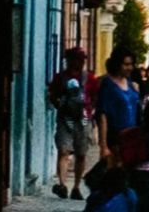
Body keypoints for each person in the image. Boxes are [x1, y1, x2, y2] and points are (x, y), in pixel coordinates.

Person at [51, 47, 93, 200]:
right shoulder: (60, 78)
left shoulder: (89, 79)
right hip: (65, 119)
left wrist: (88, 110)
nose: (77, 63)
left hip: (83, 120)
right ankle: (62, 184)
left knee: (81, 154)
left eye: (80, 60)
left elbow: (94, 97)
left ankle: (76, 187)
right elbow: (53, 95)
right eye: (74, 59)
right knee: (64, 151)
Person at [97, 48, 146, 167]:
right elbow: (102, 115)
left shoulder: (130, 84)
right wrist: (103, 146)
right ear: (117, 64)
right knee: (115, 174)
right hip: (115, 138)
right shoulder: (108, 84)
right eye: (126, 64)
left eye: (131, 64)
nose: (130, 68)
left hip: (132, 137)